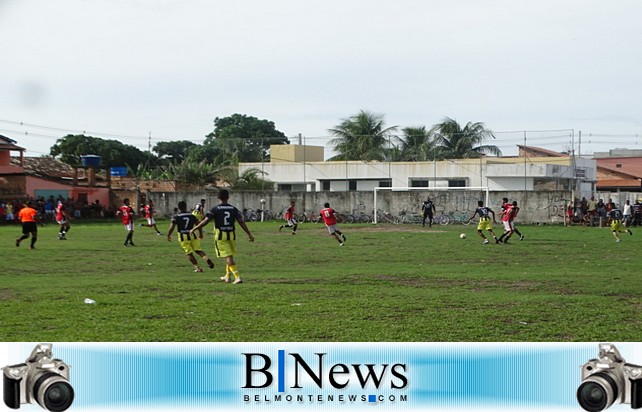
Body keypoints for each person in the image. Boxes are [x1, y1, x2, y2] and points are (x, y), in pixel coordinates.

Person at [189, 189, 254, 284]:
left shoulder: (215, 209)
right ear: (228, 197)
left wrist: (195, 228)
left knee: (228, 256)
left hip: (220, 236)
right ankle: (227, 276)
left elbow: (205, 221)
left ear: (218, 197)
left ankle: (237, 277)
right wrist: (249, 234)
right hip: (231, 235)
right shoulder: (233, 209)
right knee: (229, 255)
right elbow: (241, 221)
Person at [167, 201, 215, 273]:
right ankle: (206, 258)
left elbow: (172, 227)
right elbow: (199, 225)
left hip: (183, 236)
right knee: (198, 250)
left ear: (179, 208)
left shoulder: (176, 216)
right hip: (192, 234)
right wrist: (200, 234)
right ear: (186, 207)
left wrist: (168, 235)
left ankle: (198, 268)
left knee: (189, 253)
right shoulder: (192, 215)